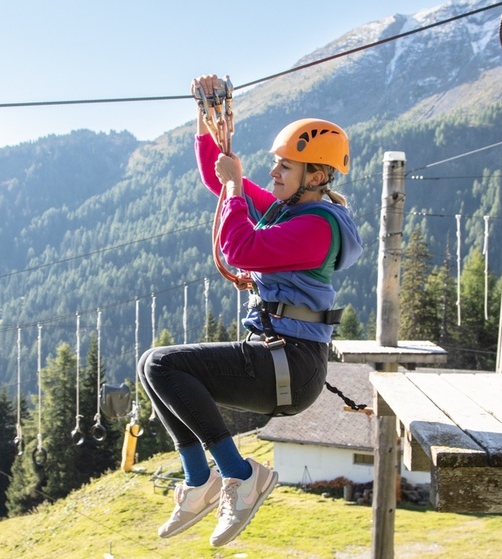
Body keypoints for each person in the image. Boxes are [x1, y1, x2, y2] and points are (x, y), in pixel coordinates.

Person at [137, 74, 364, 547]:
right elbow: (215, 181)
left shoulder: (316, 228)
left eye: (286, 166)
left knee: (164, 365)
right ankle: (200, 482)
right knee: (153, 367)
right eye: (276, 164)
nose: (275, 173)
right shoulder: (290, 209)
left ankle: (240, 476)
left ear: (317, 176)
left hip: (290, 365)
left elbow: (239, 247)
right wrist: (206, 117)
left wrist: (239, 189)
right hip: (278, 357)